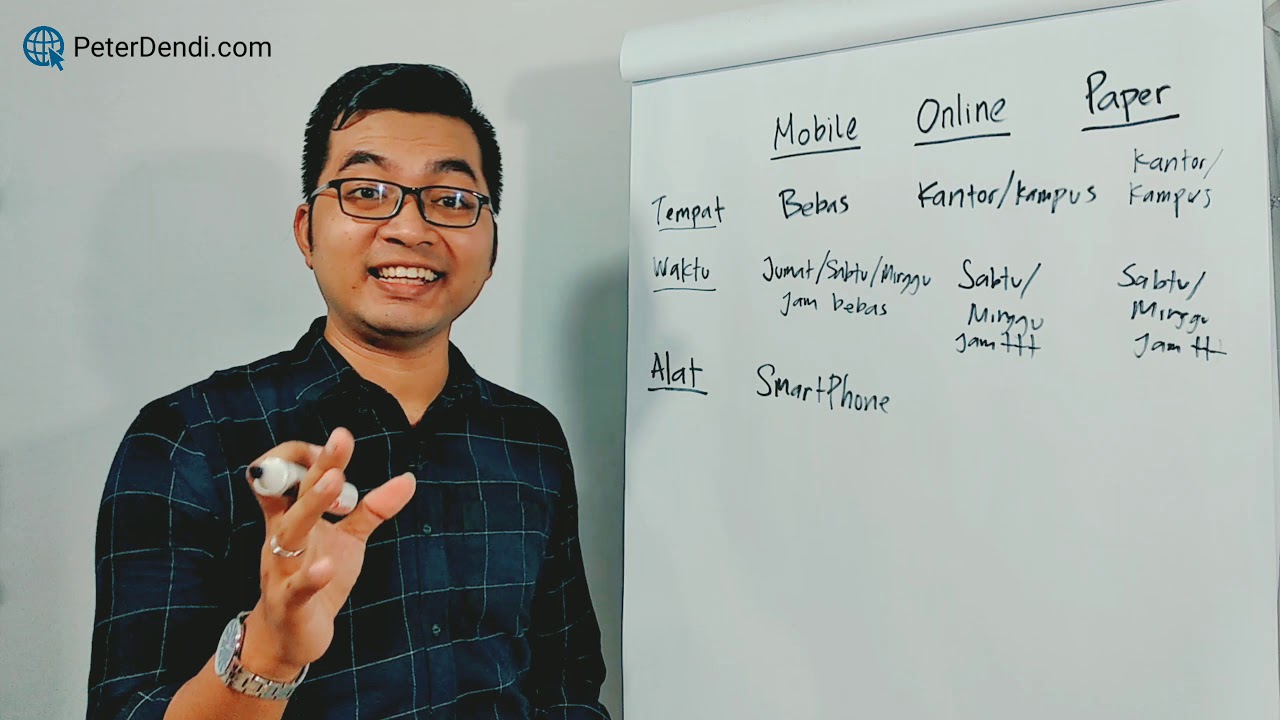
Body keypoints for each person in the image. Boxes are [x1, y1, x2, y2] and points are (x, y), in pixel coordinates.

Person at [86, 63, 612, 720]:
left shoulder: (528, 438)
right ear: (306, 231)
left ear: (492, 246)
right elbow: (129, 709)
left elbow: (566, 689)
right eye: (366, 192)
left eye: (451, 200)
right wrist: (269, 654)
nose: (410, 230)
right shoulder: (186, 439)